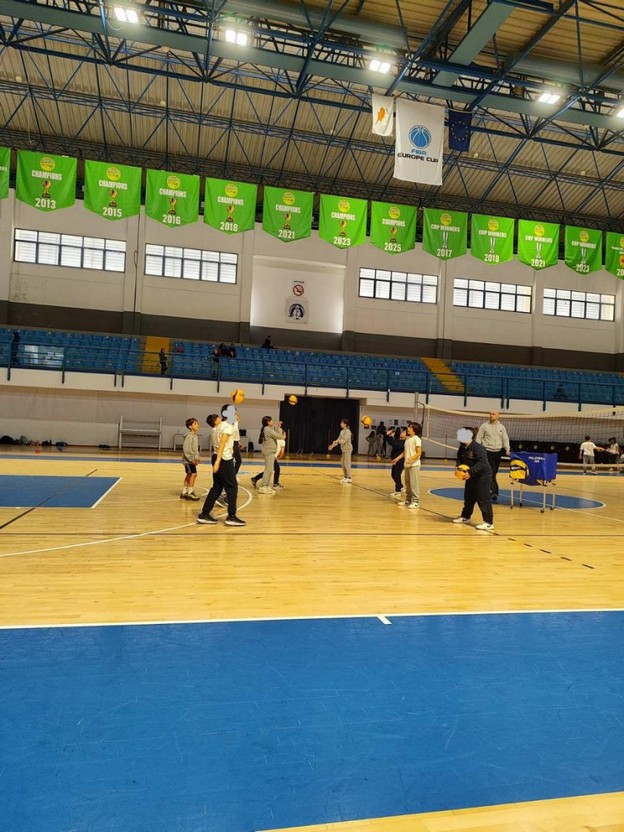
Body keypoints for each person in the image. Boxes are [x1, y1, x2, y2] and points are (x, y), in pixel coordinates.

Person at [197, 412, 246, 526]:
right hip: (223, 458)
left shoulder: (215, 429)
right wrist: (218, 462)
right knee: (232, 488)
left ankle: (204, 514)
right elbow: (223, 444)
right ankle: (231, 516)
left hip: (216, 456)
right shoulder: (227, 426)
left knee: (217, 487)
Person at [453, 427, 494, 530]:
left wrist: (470, 472)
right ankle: (465, 517)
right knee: (469, 497)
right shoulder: (462, 447)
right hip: (471, 475)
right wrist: (458, 468)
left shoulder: (478, 448)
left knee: (483, 498)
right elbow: (459, 459)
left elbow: (482, 463)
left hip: (483, 475)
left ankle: (488, 522)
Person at [475, 410, 510, 502]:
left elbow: (505, 439)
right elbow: (479, 438)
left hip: (497, 452)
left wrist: (507, 448)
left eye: (493, 414)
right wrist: (477, 450)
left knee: (494, 472)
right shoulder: (484, 426)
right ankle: (494, 492)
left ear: (498, 416)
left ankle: (488, 489)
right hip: (487, 451)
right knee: (491, 471)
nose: (491, 415)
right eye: (490, 414)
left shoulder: (501, 427)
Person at [251, 416, 285, 494]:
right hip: (269, 451)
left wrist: (278, 427)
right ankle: (263, 487)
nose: (272, 421)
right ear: (268, 422)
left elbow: (275, 434)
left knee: (270, 470)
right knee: (268, 470)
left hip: (270, 451)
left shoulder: (267, 429)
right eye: (271, 420)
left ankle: (266, 486)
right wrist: (279, 428)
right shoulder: (267, 429)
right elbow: (280, 436)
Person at [401, 422, 422, 508]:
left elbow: (419, 452)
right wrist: (397, 459)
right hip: (407, 464)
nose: (408, 428)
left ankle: (416, 501)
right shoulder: (408, 439)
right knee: (407, 483)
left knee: (414, 483)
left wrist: (411, 459)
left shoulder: (417, 439)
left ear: (414, 430)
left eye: (410, 427)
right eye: (408, 427)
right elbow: (405, 452)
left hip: (414, 465)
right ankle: (408, 500)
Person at [180, 417, 201, 501]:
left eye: (197, 423)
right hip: (188, 460)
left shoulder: (194, 436)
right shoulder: (189, 436)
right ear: (190, 426)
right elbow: (186, 449)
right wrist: (192, 459)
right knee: (193, 474)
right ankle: (190, 492)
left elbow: (195, 449)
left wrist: (197, 457)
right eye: (195, 423)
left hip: (191, 459)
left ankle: (184, 492)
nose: (197, 425)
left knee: (189, 474)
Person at [328, 419, 353, 483]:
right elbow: (338, 440)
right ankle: (345, 477)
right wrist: (332, 446)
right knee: (343, 464)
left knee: (347, 463)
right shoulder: (342, 432)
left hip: (348, 449)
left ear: (345, 424)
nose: (340, 424)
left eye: (342, 423)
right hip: (343, 449)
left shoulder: (348, 432)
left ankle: (349, 477)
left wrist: (337, 441)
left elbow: (343, 441)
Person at [387, 426, 406, 498]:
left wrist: (390, 437)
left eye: (404, 432)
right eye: (402, 431)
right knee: (393, 475)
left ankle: (398, 490)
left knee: (397, 475)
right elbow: (391, 442)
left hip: (401, 460)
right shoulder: (399, 440)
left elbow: (395, 444)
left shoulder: (405, 442)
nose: (402, 433)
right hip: (396, 460)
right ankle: (400, 486)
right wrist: (388, 435)